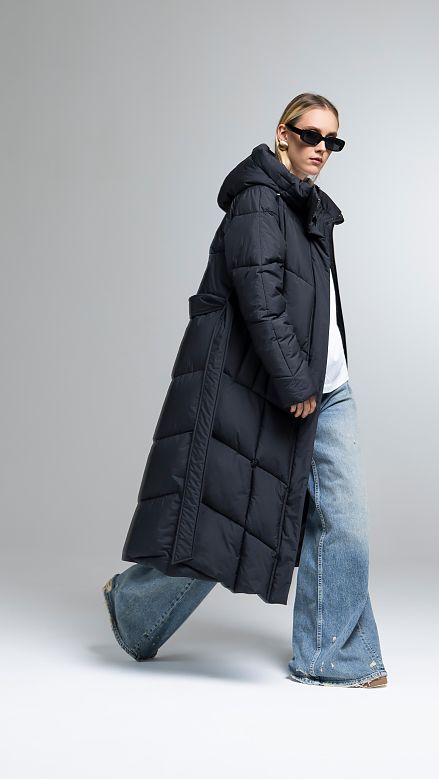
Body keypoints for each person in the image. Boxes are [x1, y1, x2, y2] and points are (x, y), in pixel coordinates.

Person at [103, 93, 388, 688]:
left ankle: (330, 657)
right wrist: (295, 380)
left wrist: (326, 373)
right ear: (282, 133)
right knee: (228, 519)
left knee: (342, 520)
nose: (321, 150)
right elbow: (261, 299)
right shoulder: (259, 201)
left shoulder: (308, 205)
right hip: (282, 385)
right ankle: (133, 606)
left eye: (333, 141)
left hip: (331, 385)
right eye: (311, 136)